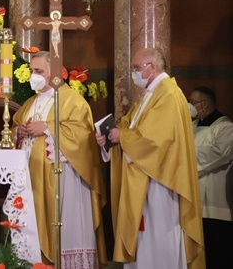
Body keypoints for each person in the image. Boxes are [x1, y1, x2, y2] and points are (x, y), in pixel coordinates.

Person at [96, 48, 204, 269]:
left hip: (160, 182)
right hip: (146, 178)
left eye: (136, 68)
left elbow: (155, 140)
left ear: (152, 67)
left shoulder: (169, 95)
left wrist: (121, 136)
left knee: (158, 240)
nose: (134, 73)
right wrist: (110, 137)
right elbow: (131, 125)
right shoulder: (151, 95)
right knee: (145, 241)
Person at [13, 51, 106, 268]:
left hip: (65, 180)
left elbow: (83, 138)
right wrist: (20, 131)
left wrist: (47, 128)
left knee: (64, 229)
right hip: (32, 179)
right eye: (31, 71)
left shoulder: (73, 101)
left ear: (55, 73)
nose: (33, 76)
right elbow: (12, 131)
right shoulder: (30, 103)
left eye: (39, 71)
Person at [189, 86, 233, 269]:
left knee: (217, 256)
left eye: (192, 102)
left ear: (203, 104)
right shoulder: (191, 126)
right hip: (194, 203)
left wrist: (185, 159)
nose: (189, 106)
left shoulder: (226, 127)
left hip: (217, 208)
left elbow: (217, 154)